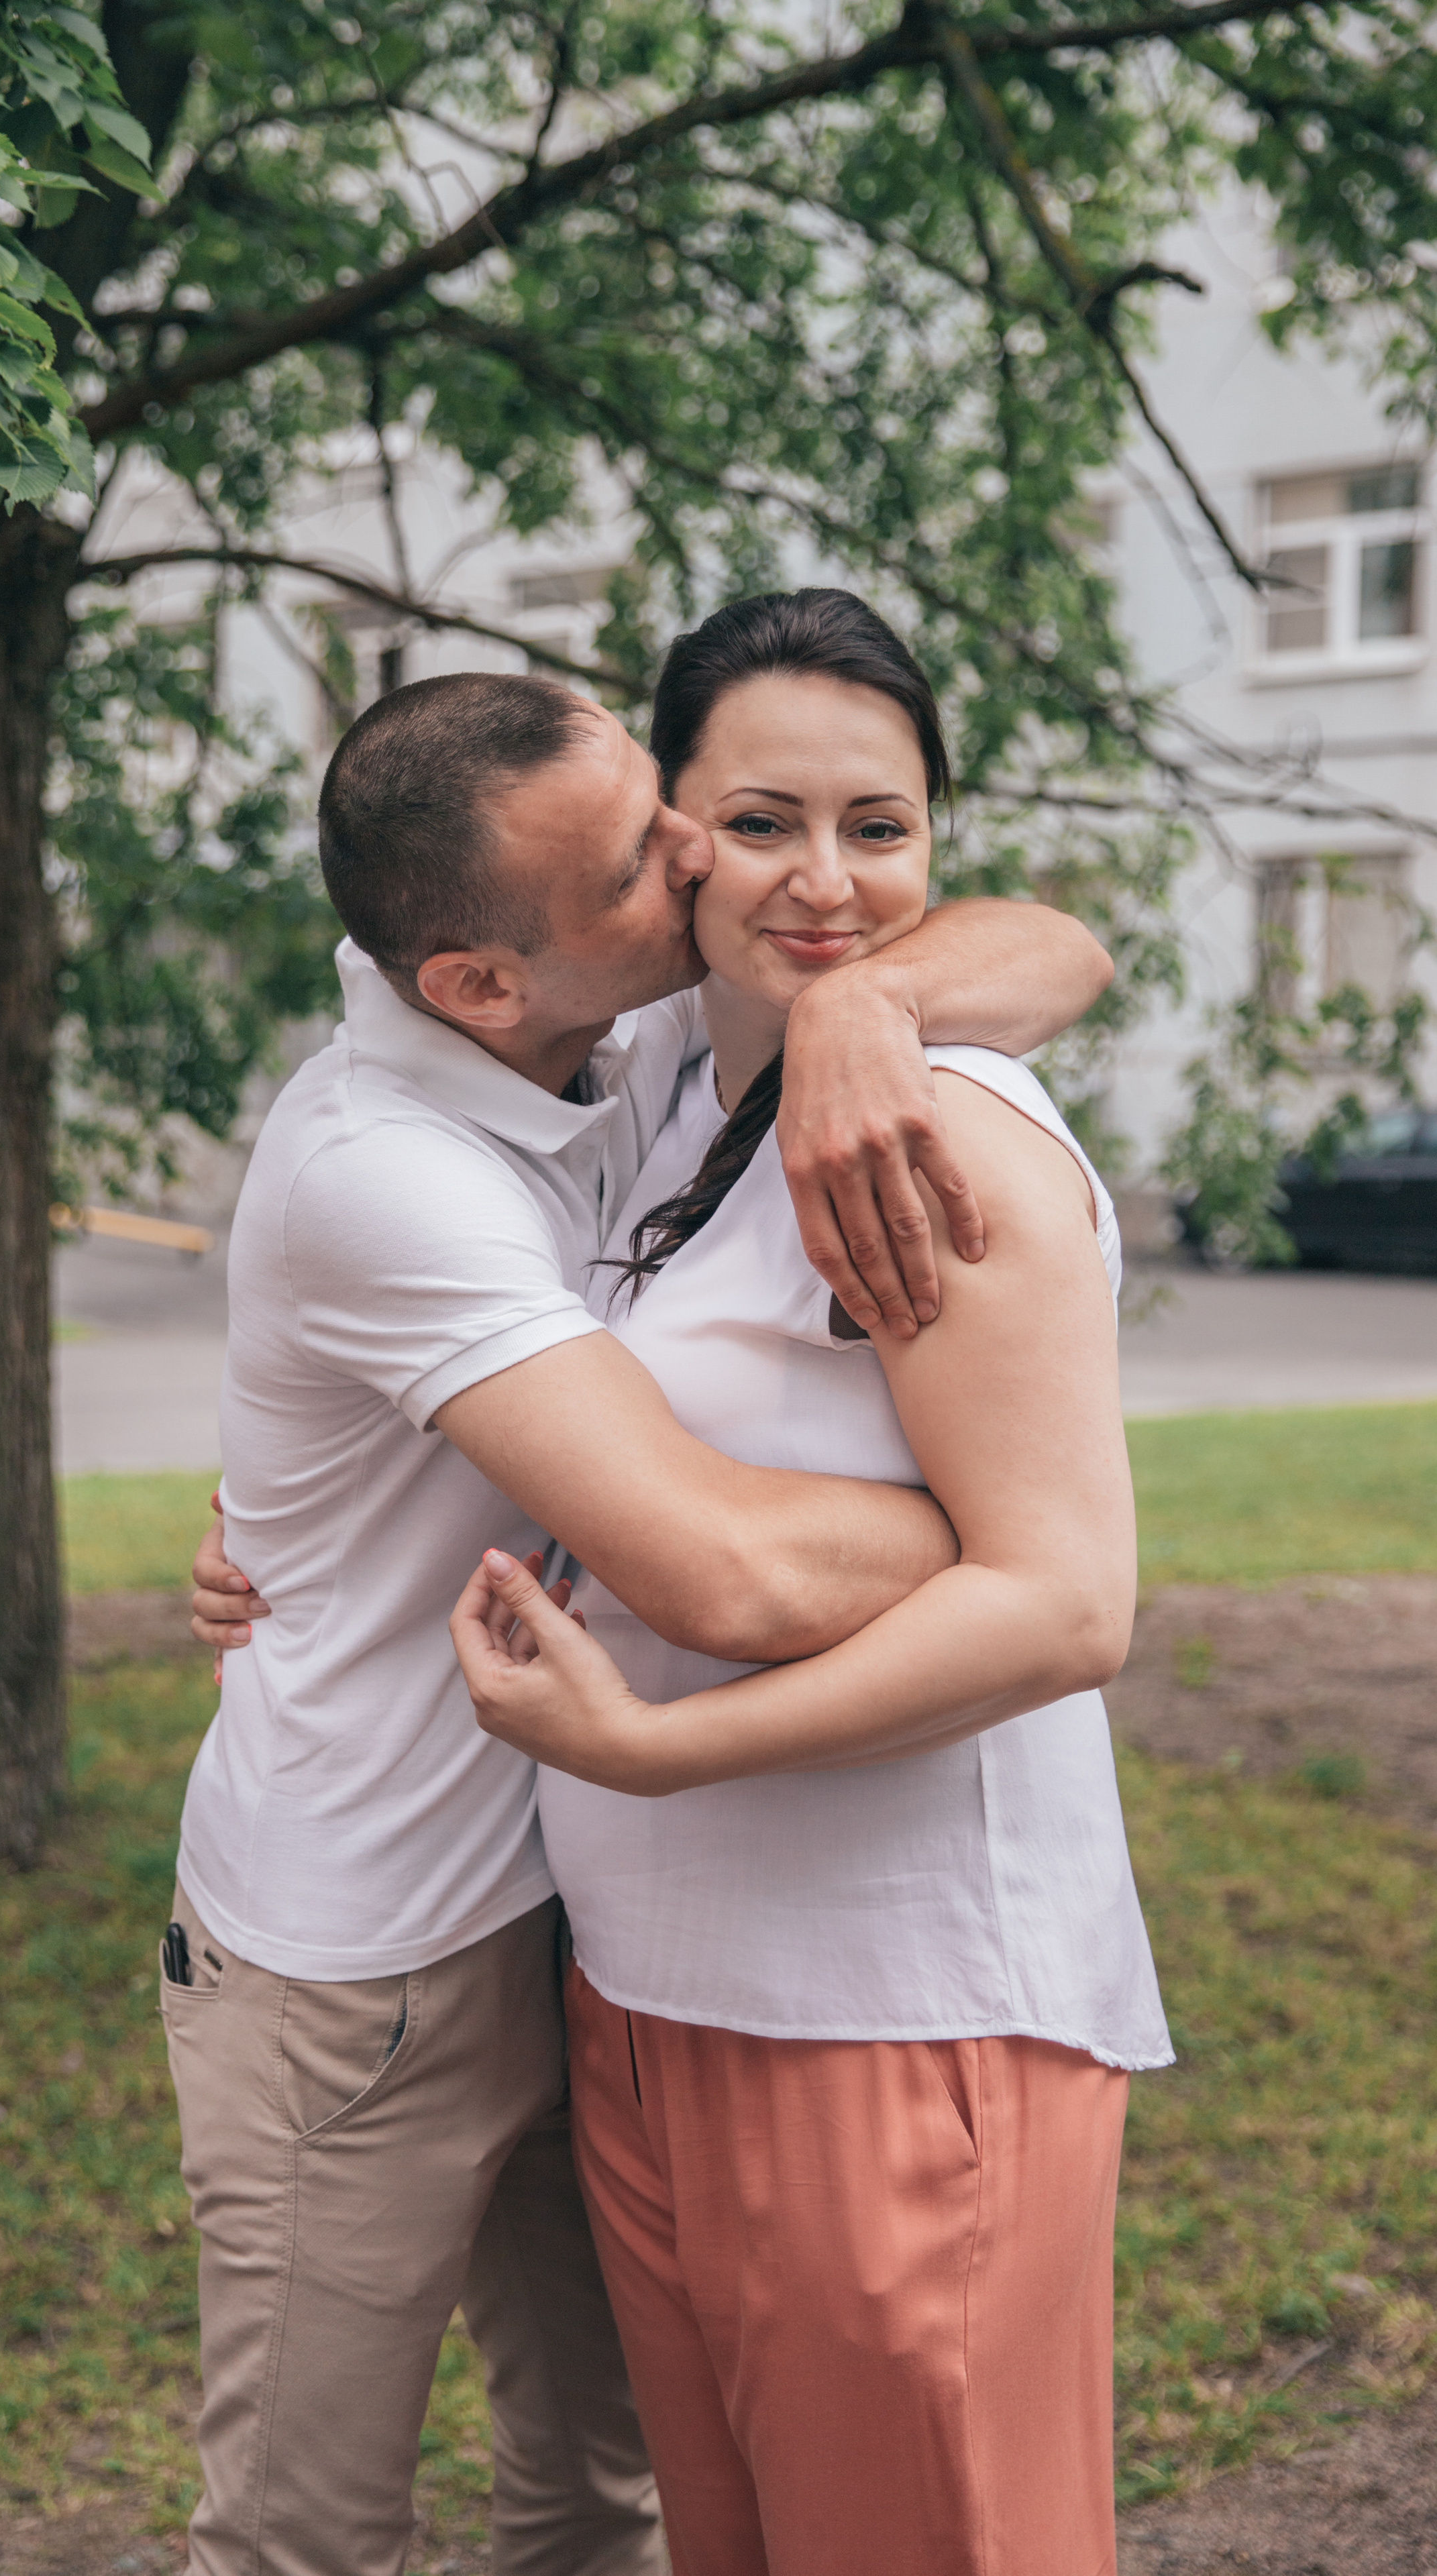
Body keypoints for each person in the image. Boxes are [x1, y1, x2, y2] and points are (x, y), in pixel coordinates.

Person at [173, 663, 1113, 2576]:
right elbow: (731, 1575)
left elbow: (1054, 940)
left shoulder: (624, 1038)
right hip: (366, 1963)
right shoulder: (391, 1168)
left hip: (574, 1934)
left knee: (599, 2497)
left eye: (669, 811)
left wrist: (864, 997)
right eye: (646, 856)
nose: (702, 860)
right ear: (475, 983)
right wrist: (1002, 1533)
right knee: (306, 2537)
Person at [447, 591, 1172, 2576]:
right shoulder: (668, 1075)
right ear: (668, 834)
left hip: (895, 2020)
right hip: (655, 2007)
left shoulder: (944, 1141)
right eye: (762, 821)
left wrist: (667, 1753)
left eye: (884, 827)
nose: (828, 883)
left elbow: (1063, 1609)